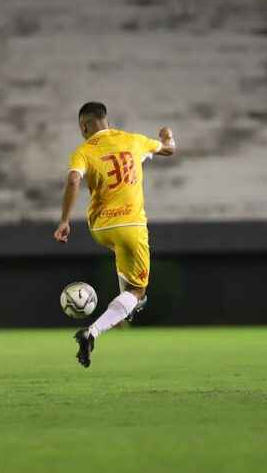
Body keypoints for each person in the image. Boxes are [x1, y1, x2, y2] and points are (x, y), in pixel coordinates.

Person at [54, 101, 176, 368]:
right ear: (105, 120)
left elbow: (74, 180)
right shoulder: (133, 140)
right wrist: (167, 135)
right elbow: (168, 149)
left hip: (100, 226)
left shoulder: (83, 150)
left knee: (124, 261)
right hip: (132, 225)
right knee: (139, 290)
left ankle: (124, 309)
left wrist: (64, 220)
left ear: (84, 126)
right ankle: (93, 331)